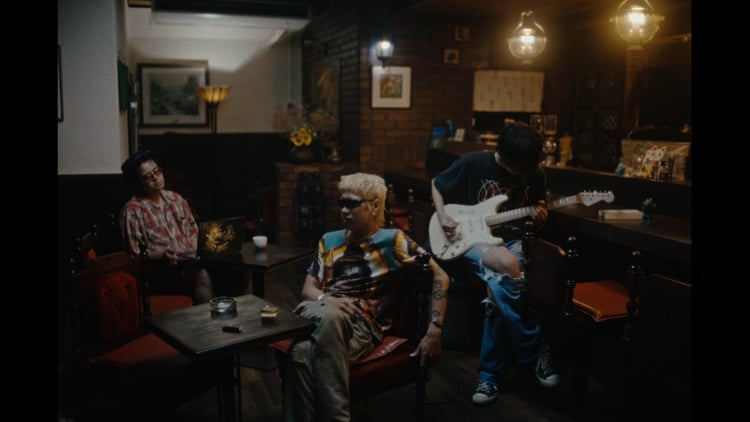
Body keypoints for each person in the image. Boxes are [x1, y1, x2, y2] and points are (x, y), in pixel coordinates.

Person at [282, 172, 450, 422]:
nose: (344, 210)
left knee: (300, 353)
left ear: (375, 206)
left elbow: (441, 275)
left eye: (352, 204)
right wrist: (326, 300)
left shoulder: (392, 240)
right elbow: (308, 289)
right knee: (330, 314)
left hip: (361, 328)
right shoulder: (328, 240)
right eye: (342, 203)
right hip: (319, 312)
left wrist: (434, 330)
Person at [429, 121, 560, 406]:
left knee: (497, 287)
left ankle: (489, 377)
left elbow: (539, 206)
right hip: (470, 241)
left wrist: (541, 214)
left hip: (514, 241)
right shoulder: (472, 163)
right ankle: (536, 349)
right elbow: (437, 184)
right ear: (503, 153)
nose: (520, 173)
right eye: (516, 167)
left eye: (526, 167)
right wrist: (442, 216)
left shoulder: (534, 173)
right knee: (506, 264)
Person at [119, 150, 214, 304]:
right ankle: (207, 319)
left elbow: (193, 231)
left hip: (189, 260)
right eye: (147, 177)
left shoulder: (176, 198)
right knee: (201, 275)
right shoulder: (132, 211)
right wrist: (161, 254)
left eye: (157, 171)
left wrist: (196, 251)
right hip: (160, 271)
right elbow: (134, 255)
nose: (156, 178)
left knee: (232, 270)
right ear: (137, 182)